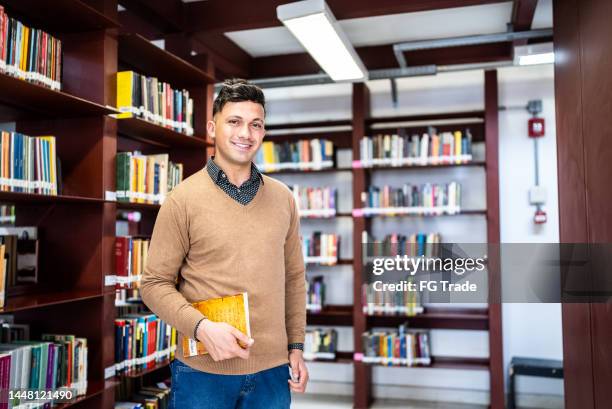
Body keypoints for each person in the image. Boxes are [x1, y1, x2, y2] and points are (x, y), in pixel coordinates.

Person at [140, 78, 309, 409]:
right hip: (203, 372)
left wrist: (296, 347)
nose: (246, 133)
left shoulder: (283, 199)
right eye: (234, 121)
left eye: (255, 124)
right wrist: (201, 328)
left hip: (273, 373)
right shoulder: (182, 200)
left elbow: (293, 278)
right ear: (212, 127)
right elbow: (153, 284)